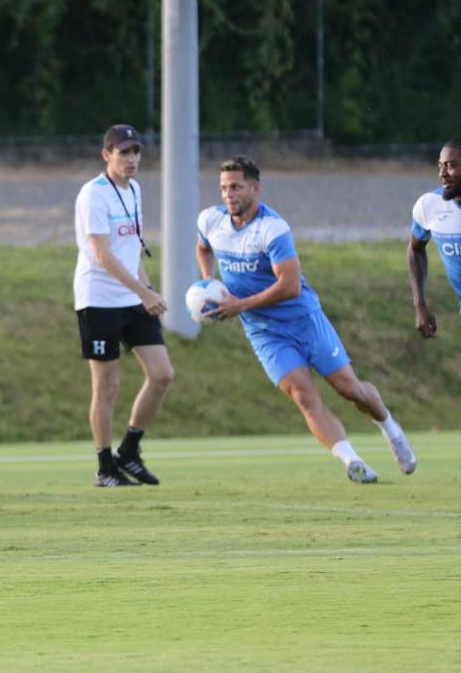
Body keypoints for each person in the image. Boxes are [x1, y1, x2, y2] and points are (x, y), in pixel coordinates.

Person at [196, 155, 417, 483]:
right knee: (302, 395)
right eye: (224, 188)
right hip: (263, 331)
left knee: (349, 389)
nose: (229, 194)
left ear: (255, 189)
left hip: (303, 319)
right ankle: (351, 461)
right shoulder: (210, 221)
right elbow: (204, 248)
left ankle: (389, 427)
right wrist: (210, 283)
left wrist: (238, 305)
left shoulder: (272, 229)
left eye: (236, 187)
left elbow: (290, 286)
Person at [72, 124, 173, 487]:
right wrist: (144, 293)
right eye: (123, 152)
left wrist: (147, 290)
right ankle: (104, 467)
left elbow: (132, 251)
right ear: (106, 155)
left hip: (131, 297)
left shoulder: (135, 190)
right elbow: (102, 255)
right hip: (98, 300)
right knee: (107, 386)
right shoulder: (93, 194)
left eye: (135, 152)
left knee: (162, 374)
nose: (131, 159)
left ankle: (128, 451)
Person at [408, 139, 461, 338]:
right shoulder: (429, 206)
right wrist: (419, 304)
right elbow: (415, 249)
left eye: (451, 165)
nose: (442, 174)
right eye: (440, 166)